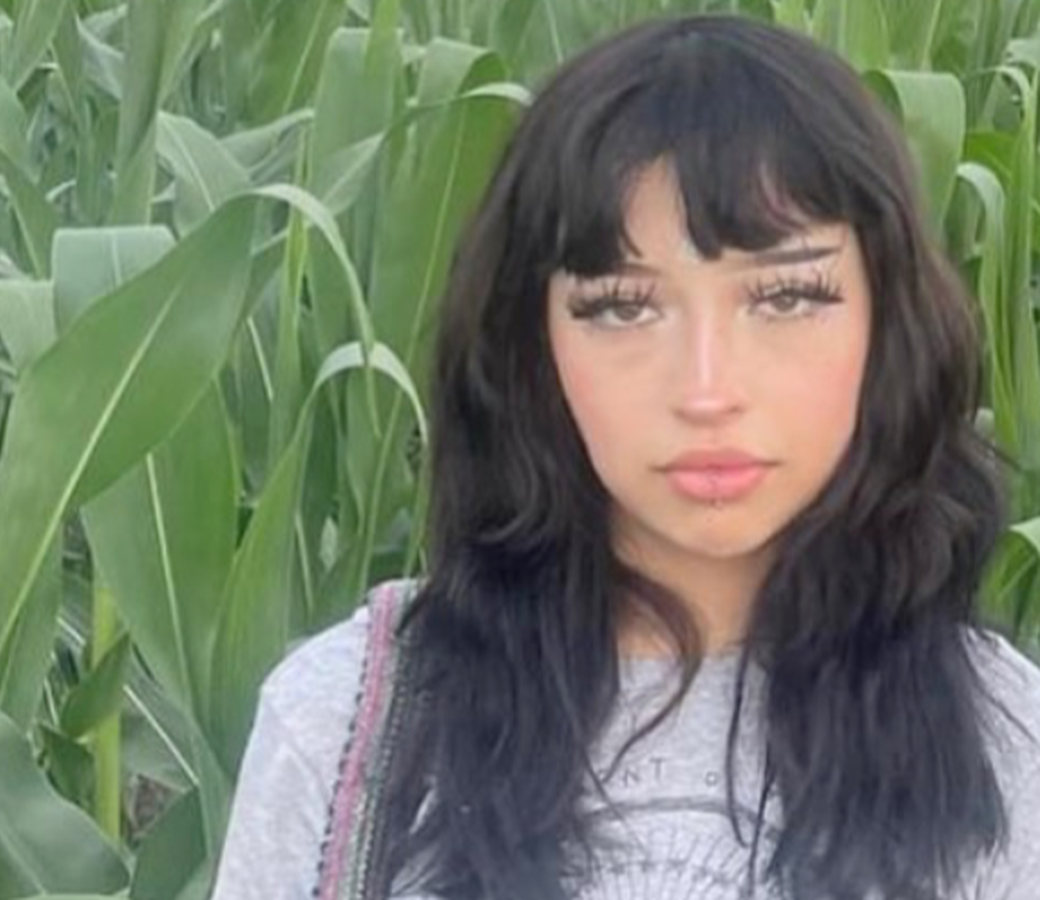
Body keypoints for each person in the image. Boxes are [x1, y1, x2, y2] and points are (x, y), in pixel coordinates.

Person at [210, 12, 1040, 900]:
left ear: (888, 325)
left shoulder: (1004, 749)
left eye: (786, 297)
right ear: (532, 345)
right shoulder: (348, 727)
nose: (707, 389)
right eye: (622, 307)